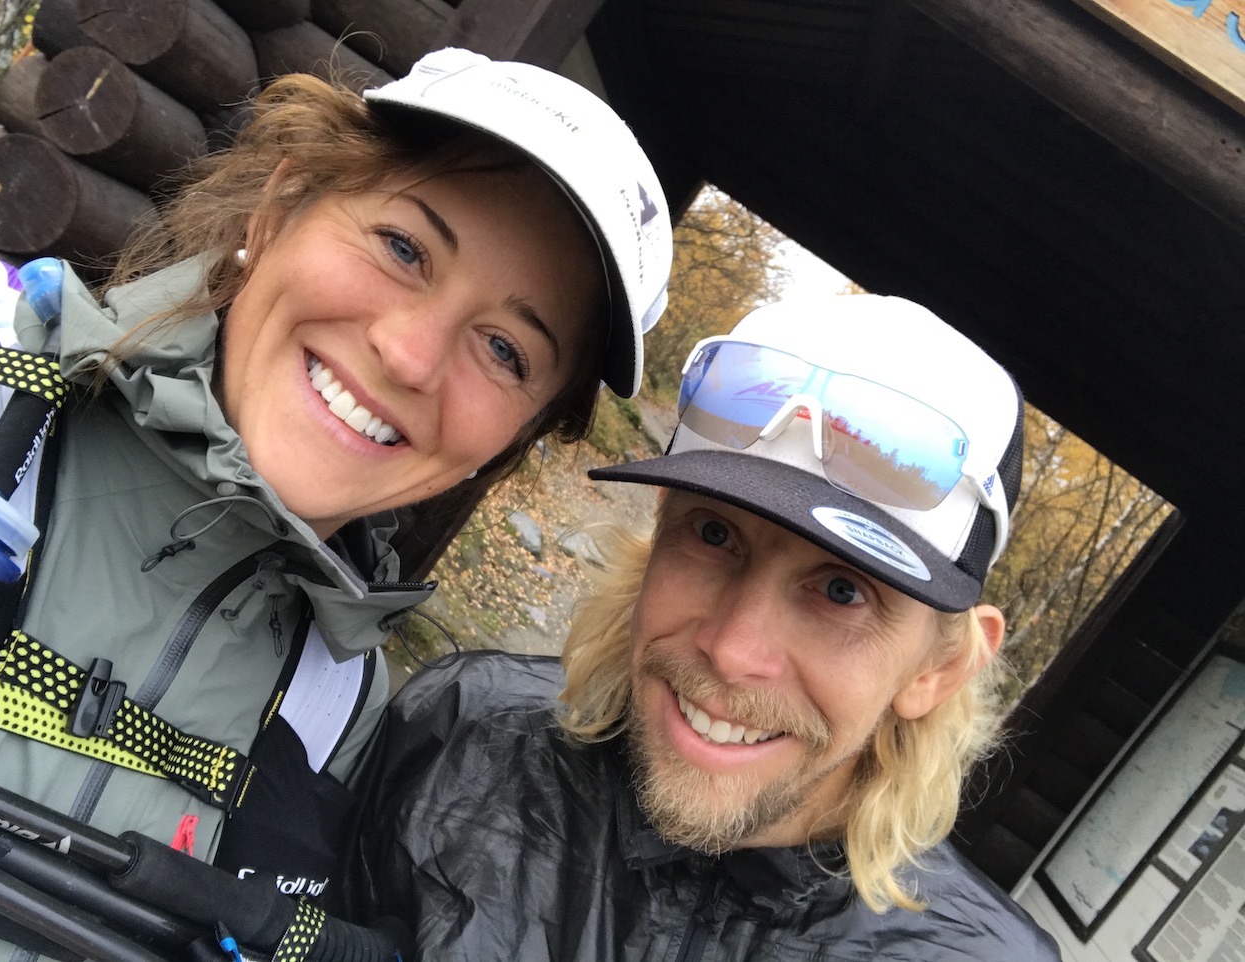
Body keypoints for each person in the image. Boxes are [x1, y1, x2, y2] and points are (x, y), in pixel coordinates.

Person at [0, 46, 671, 960]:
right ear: (279, 206)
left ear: (515, 436)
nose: (410, 356)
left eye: (505, 350)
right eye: (403, 247)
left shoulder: (333, 704)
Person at [337, 294, 1063, 960]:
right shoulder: (458, 736)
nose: (731, 650)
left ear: (936, 670)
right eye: (714, 535)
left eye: (843, 591)